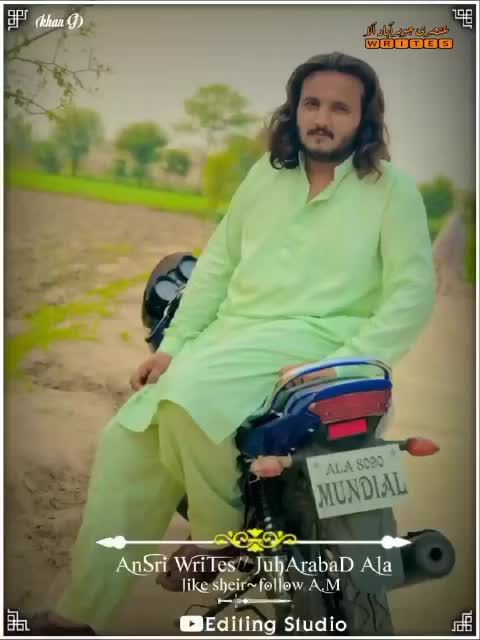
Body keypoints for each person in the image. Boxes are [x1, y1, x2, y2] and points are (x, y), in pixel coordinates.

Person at [21, 51, 435, 635]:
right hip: (233, 338)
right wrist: (173, 345)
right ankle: (78, 615)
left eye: (340, 108)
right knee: (125, 441)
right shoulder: (266, 174)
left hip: (317, 343)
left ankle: (222, 541)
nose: (322, 118)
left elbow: (412, 293)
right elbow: (215, 267)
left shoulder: (393, 190)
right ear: (294, 110)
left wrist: (343, 363)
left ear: (365, 118)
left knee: (188, 399)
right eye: (312, 104)